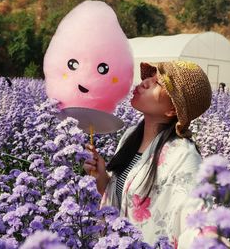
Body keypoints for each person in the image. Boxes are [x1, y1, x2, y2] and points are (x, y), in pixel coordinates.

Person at [84, 60, 212, 247]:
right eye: (150, 77)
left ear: (172, 109)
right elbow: (121, 202)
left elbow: (196, 224)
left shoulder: (184, 156)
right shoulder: (130, 137)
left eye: (158, 83)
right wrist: (101, 176)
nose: (145, 82)